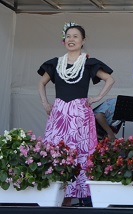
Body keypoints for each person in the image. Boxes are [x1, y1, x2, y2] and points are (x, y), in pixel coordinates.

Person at [37, 22, 115, 206]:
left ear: (83, 40)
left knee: (79, 153)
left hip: (80, 113)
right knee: (56, 150)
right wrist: (45, 102)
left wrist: (97, 97)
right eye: (68, 36)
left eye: (75, 36)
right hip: (59, 113)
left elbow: (110, 79)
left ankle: (74, 197)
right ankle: (55, 196)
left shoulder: (89, 62)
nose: (71, 39)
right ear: (63, 41)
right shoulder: (55, 63)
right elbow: (41, 83)